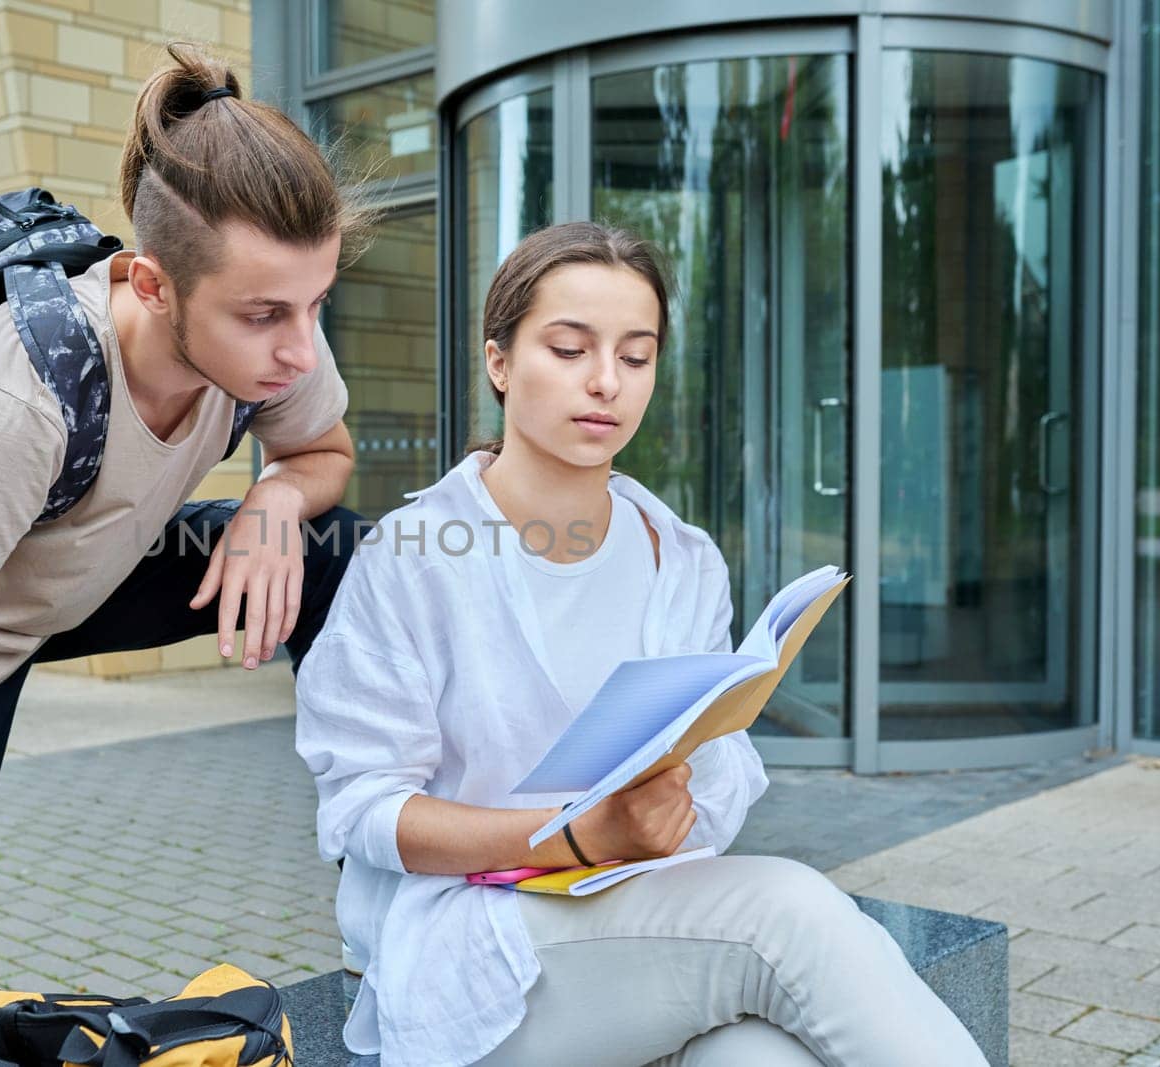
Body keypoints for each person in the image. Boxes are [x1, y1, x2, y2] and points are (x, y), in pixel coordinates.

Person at [294, 221, 988, 1066]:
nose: (605, 382)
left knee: (762, 1059)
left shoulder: (680, 555)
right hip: (477, 944)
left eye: (636, 355)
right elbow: (366, 810)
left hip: (636, 918)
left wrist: (677, 799)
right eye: (569, 347)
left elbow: (721, 776)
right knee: (788, 909)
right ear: (499, 361)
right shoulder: (412, 555)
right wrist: (577, 834)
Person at [0, 44, 369, 1061]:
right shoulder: (9, 401)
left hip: (70, 568)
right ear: (150, 284)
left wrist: (276, 499)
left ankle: (383, 855)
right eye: (267, 315)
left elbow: (323, 451)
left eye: (314, 303)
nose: (297, 347)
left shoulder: (264, 318)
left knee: (330, 542)